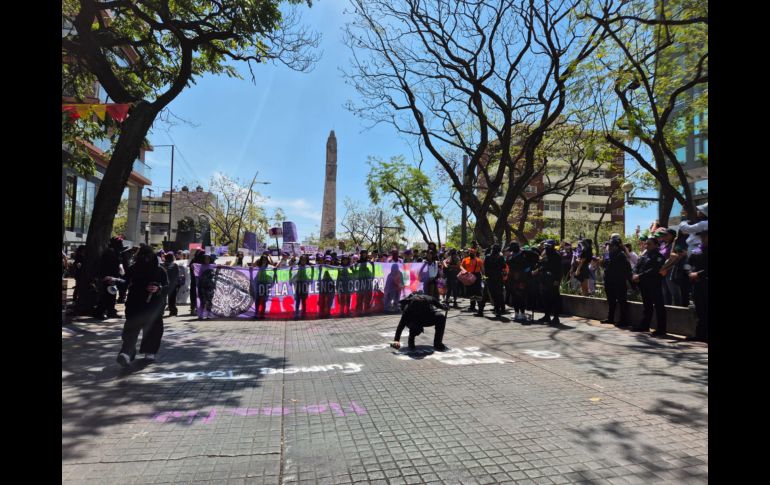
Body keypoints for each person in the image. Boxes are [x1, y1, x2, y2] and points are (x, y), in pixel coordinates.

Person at [116, 244, 168, 367]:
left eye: (148, 256)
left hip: (153, 306)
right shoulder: (134, 269)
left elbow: (167, 286)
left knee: (153, 330)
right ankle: (127, 353)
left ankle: (149, 350)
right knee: (131, 330)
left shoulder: (160, 270)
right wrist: (116, 280)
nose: (145, 259)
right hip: (135, 304)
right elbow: (125, 281)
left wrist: (158, 288)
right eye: (142, 256)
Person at [632, 238, 667, 336]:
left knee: (659, 306)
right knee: (647, 306)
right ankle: (644, 325)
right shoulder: (644, 255)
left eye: (649, 244)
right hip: (644, 284)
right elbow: (637, 266)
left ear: (656, 245)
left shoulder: (659, 257)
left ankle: (661, 329)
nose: (647, 246)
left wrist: (640, 276)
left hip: (654, 284)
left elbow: (654, 270)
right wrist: (634, 273)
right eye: (646, 244)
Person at [601, 238, 632, 327]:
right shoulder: (608, 254)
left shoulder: (621, 255)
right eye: (609, 245)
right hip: (609, 281)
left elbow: (627, 269)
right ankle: (610, 318)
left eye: (611, 245)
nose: (609, 247)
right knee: (611, 301)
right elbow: (604, 265)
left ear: (616, 246)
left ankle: (623, 320)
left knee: (622, 301)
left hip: (619, 281)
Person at [532, 240, 562, 325]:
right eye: (545, 246)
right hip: (544, 280)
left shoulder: (556, 255)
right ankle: (547, 316)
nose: (546, 247)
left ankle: (556, 317)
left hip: (553, 280)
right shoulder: (545, 254)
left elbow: (559, 270)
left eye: (548, 246)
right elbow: (543, 265)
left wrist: (557, 280)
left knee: (554, 299)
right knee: (545, 298)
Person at [94, 237, 125, 319]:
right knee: (106, 296)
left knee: (111, 295)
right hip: (108, 278)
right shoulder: (110, 252)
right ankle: (99, 312)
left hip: (113, 277)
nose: (121, 245)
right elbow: (108, 266)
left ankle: (110, 311)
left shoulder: (114, 252)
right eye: (120, 243)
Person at [685, 230, 708, 342]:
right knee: (700, 310)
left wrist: (698, 273)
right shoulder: (697, 250)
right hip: (697, 284)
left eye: (705, 236)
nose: (703, 239)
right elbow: (687, 264)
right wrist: (689, 273)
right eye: (702, 237)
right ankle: (700, 334)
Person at [478, 244, 506, 318]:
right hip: (498, 278)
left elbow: (485, 267)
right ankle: (498, 311)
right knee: (497, 295)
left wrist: (484, 276)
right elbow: (503, 266)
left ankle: (480, 311)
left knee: (485, 295)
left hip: (489, 278)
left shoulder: (487, 257)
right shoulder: (501, 257)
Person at [251, 252, 276, 319]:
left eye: (265, 259)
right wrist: (252, 259)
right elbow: (252, 267)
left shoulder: (269, 267)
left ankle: (262, 314)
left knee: (264, 300)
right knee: (257, 299)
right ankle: (256, 314)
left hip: (265, 284)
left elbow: (275, 268)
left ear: (267, 260)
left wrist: (275, 271)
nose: (264, 261)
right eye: (263, 259)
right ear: (261, 260)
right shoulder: (258, 267)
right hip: (258, 283)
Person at [290, 254, 314, 319]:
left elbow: (309, 277)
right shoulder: (297, 267)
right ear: (300, 260)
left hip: (304, 286)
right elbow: (293, 274)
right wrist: (291, 280)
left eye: (304, 260)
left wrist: (312, 271)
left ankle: (303, 313)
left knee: (303, 301)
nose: (303, 261)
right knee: (297, 300)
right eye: (302, 260)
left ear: (306, 261)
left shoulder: (308, 267)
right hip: (298, 286)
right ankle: (296, 313)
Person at [460, 248, 484, 313]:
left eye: (472, 252)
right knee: (471, 292)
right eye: (470, 252)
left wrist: (484, 277)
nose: (471, 253)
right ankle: (472, 306)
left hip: (477, 277)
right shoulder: (465, 260)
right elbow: (461, 267)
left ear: (475, 253)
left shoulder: (479, 260)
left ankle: (480, 308)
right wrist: (464, 272)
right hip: (469, 276)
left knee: (478, 292)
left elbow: (482, 269)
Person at [197, 254, 217, 320]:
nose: (207, 260)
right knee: (203, 300)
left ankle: (209, 314)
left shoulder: (213, 266)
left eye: (208, 259)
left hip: (210, 286)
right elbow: (199, 275)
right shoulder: (201, 266)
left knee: (209, 300)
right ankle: (201, 314)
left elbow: (221, 268)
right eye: (205, 259)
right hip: (202, 285)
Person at [354, 249, 375, 315]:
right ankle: (359, 311)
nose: (364, 254)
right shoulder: (358, 262)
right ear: (361, 254)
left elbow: (373, 270)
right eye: (363, 253)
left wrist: (372, 265)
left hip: (367, 281)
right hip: (360, 281)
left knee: (368, 296)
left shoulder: (369, 262)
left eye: (365, 253)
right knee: (360, 296)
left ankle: (367, 310)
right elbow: (354, 271)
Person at [163, 252, 180, 317]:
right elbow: (177, 275)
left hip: (164, 284)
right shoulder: (175, 265)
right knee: (172, 299)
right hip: (173, 284)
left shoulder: (162, 265)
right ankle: (173, 311)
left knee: (163, 299)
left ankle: (161, 311)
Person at [188, 249, 205, 315]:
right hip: (200, 282)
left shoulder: (193, 261)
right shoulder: (201, 261)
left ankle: (193, 309)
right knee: (200, 295)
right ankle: (199, 309)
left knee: (194, 295)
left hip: (194, 282)